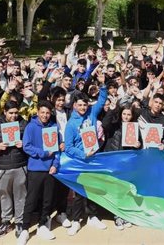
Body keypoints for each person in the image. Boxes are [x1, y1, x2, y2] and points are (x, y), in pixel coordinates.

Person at [64, 69, 109, 236]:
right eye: (80, 105)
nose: (83, 107)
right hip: (80, 161)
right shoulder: (70, 124)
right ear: (74, 106)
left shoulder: (91, 114)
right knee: (79, 193)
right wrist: (83, 155)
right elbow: (68, 147)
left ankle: (92, 216)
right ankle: (76, 220)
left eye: (85, 104)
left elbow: (102, 100)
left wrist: (103, 85)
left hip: (94, 159)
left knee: (93, 189)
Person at [18, 101, 61, 244]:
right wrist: (42, 153)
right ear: (38, 112)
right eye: (42, 112)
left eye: (48, 113)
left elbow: (57, 150)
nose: (45, 115)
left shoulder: (54, 127)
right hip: (35, 169)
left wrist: (55, 164)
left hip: (50, 170)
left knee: (47, 200)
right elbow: (27, 146)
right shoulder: (31, 126)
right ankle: (25, 229)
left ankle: (42, 225)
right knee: (31, 200)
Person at [0, 101, 29, 239]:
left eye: (16, 112)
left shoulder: (24, 123)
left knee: (20, 195)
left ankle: (19, 221)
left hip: (20, 165)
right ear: (4, 112)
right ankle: (6, 221)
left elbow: (31, 142)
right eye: (11, 113)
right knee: (4, 195)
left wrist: (24, 144)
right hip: (3, 167)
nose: (14, 115)